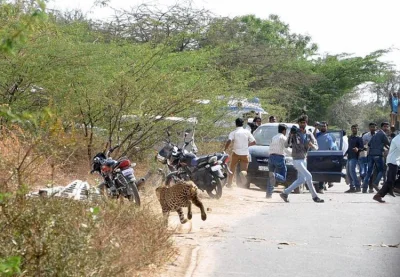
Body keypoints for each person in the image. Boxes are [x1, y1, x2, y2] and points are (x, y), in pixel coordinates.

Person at [279, 115, 324, 203]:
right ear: (298, 123)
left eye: (304, 122)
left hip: (304, 159)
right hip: (296, 159)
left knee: (301, 179)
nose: (302, 124)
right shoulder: (295, 132)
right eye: (301, 123)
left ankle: (285, 193)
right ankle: (315, 197)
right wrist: (291, 135)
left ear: (306, 123)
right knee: (309, 176)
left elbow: (316, 147)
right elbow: (286, 145)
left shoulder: (309, 134)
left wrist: (311, 145)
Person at [224, 118, 256, 188]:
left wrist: (225, 149)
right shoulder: (247, 132)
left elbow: (229, 140)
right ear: (243, 124)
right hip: (245, 154)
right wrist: (247, 145)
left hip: (236, 153)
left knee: (232, 168)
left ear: (236, 124)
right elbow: (254, 142)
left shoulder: (233, 132)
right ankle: (242, 174)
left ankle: (229, 184)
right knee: (244, 170)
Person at [361, 122, 390, 193]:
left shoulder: (375, 134)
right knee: (382, 170)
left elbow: (369, 144)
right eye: (385, 127)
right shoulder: (383, 134)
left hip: (371, 155)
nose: (386, 128)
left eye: (387, 127)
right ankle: (375, 183)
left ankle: (364, 189)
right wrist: (382, 148)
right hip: (378, 155)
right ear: (381, 127)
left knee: (369, 172)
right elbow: (389, 143)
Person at [373, 133, 400, 203]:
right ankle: (395, 187)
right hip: (393, 161)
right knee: (390, 180)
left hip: (395, 161)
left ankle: (380, 194)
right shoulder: (398, 138)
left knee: (391, 180)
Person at [266, 124, 291, 198]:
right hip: (279, 157)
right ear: (284, 130)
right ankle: (275, 175)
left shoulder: (274, 137)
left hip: (271, 157)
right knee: (283, 177)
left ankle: (268, 194)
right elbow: (286, 149)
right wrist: (293, 154)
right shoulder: (283, 138)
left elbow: (270, 147)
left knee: (271, 177)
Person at [314, 121, 338, 193]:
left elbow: (333, 146)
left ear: (327, 127)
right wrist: (315, 128)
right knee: (320, 172)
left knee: (324, 171)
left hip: (327, 155)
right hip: (318, 155)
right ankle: (323, 185)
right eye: (322, 126)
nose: (323, 127)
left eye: (324, 126)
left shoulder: (330, 135)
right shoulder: (318, 134)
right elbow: (313, 136)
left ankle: (322, 186)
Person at [344, 124, 364, 193]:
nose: (354, 129)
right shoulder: (350, 138)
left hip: (354, 157)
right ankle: (351, 187)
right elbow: (349, 147)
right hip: (349, 157)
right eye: (353, 128)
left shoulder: (359, 138)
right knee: (348, 173)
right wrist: (345, 153)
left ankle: (357, 186)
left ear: (358, 129)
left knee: (352, 172)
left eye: (355, 128)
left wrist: (357, 149)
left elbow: (362, 147)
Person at [362, 123, 378, 193]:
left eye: (374, 127)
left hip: (377, 155)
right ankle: (366, 188)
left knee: (375, 172)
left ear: (376, 128)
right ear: (369, 128)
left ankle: (372, 186)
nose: (372, 128)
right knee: (369, 172)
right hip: (369, 155)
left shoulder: (378, 135)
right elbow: (362, 145)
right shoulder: (365, 136)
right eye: (371, 127)